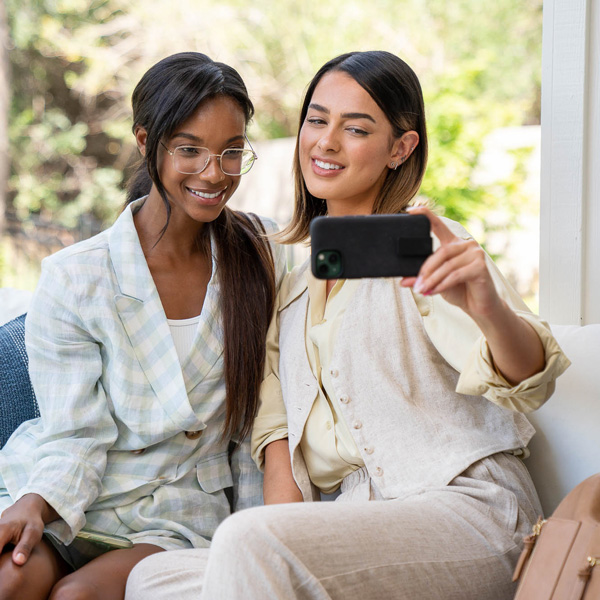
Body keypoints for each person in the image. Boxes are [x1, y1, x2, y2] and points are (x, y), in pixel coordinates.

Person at [125, 50, 570, 600]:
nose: (326, 142)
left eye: (355, 128)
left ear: (400, 148)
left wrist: (487, 308)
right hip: (361, 527)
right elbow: (279, 450)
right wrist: (274, 546)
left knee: (249, 542)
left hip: (469, 511)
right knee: (154, 577)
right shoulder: (288, 292)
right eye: (317, 119)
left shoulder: (428, 246)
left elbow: (529, 377)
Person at [0, 51, 285, 600]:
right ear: (144, 140)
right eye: (189, 150)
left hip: (180, 508)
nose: (214, 173)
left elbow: (261, 414)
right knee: (10, 579)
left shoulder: (262, 255)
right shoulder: (75, 277)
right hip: (77, 491)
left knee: (75, 597)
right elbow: (75, 434)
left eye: (231, 153)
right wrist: (36, 502)